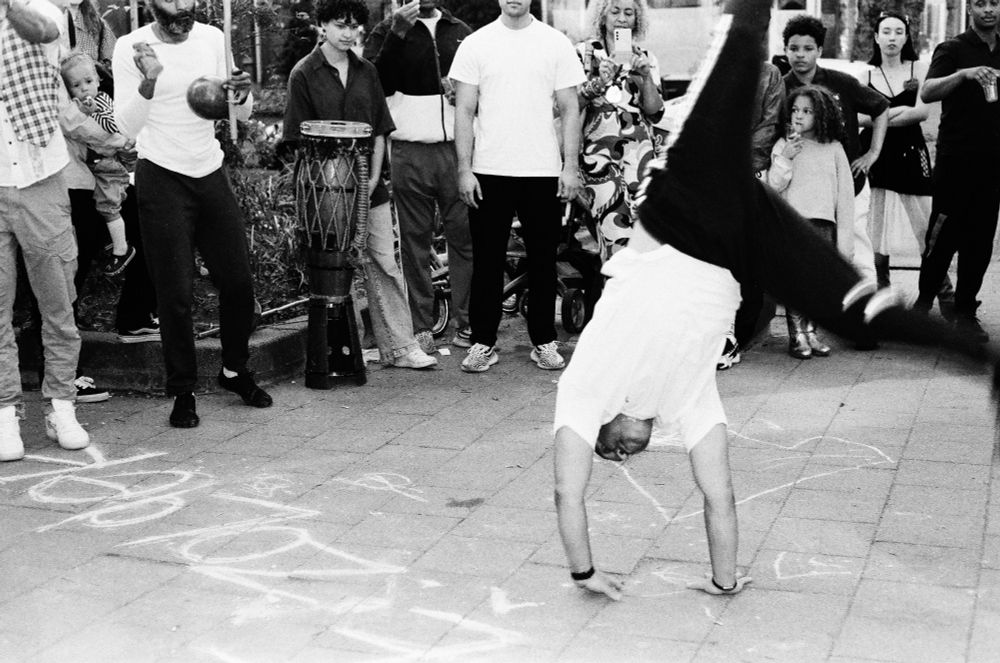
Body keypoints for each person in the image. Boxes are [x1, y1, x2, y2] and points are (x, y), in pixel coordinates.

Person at [553, 0, 999, 602]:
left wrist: (583, 573)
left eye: (613, 453)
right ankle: (984, 359)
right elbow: (719, 496)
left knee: (740, 46)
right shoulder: (687, 401)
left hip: (684, 203)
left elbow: (566, 491)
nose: (626, 456)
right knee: (853, 315)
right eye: (628, 460)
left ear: (602, 430)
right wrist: (723, 580)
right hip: (741, 241)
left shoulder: (589, 385)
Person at [112, 0, 273, 428]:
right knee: (175, 293)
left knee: (238, 281)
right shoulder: (131, 45)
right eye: (174, 0)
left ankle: (234, 370)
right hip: (160, 175)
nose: (185, 7)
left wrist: (240, 93)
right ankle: (182, 390)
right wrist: (148, 82)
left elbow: (241, 111)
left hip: (208, 168)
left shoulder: (213, 37)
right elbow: (124, 129)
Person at [283, 0, 438, 372]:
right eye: (340, 25)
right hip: (326, 191)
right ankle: (345, 350)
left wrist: (371, 181)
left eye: (354, 27)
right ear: (322, 26)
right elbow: (298, 141)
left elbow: (381, 130)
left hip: (371, 185)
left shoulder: (367, 71)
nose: (348, 33)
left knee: (384, 262)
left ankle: (401, 347)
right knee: (339, 269)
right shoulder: (303, 73)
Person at [450, 0, 584, 373]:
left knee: (543, 261)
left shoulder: (555, 43)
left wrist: (569, 166)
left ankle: (543, 341)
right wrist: (465, 169)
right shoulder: (476, 44)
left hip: (541, 170)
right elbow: (463, 110)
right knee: (488, 261)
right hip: (489, 169)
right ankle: (482, 343)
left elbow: (570, 109)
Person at [0, 0, 91, 461]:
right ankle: (3, 415)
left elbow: (38, 29)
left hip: (40, 177)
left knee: (57, 306)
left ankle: (61, 407)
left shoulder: (40, 9)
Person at [363, 0, 474, 354]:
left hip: (457, 150)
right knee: (414, 241)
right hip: (409, 149)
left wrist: (466, 91)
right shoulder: (385, 31)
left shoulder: (460, 32)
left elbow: (483, 85)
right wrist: (396, 33)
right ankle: (421, 326)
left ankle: (468, 322)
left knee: (465, 236)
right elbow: (373, 83)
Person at [912, 0, 1000, 342]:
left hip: (992, 163)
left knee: (980, 241)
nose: (989, 9)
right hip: (955, 160)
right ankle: (921, 307)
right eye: (981, 3)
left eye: (994, 2)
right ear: (970, 9)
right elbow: (928, 90)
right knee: (942, 237)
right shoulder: (953, 48)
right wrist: (964, 74)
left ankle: (965, 313)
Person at [782, 15, 889, 290]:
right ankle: (808, 319)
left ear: (819, 50)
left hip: (848, 183)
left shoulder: (842, 83)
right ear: (786, 50)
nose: (800, 55)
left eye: (808, 49)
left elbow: (881, 108)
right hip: (802, 190)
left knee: (856, 250)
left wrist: (872, 153)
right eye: (794, 48)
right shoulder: (780, 88)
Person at [861, 11, 954, 314]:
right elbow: (858, 116)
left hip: (911, 153)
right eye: (885, 31)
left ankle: (945, 296)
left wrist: (880, 116)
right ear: (876, 37)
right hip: (875, 154)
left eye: (898, 32)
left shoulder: (919, 68)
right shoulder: (866, 75)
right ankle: (882, 297)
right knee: (874, 228)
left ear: (906, 36)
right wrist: (892, 114)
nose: (891, 37)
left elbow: (921, 113)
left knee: (926, 227)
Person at [768, 85, 854, 359]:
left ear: (823, 114)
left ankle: (811, 332)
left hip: (824, 226)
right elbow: (774, 185)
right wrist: (786, 158)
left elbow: (845, 198)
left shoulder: (834, 148)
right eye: (794, 110)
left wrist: (846, 242)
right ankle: (797, 336)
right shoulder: (785, 146)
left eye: (807, 111)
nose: (798, 116)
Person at [575, 0, 663, 262]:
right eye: (615, 11)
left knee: (648, 239)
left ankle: (643, 301)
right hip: (600, 158)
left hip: (641, 155)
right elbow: (568, 104)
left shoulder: (646, 56)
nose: (622, 18)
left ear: (637, 19)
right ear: (602, 17)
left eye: (629, 13)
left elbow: (655, 111)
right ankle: (617, 298)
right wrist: (599, 82)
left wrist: (645, 77)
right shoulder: (584, 53)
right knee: (615, 237)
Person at [717, 57, 784, 370]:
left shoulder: (769, 75)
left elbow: (770, 126)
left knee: (748, 261)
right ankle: (722, 335)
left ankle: (736, 337)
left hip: (751, 176)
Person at [61, 51, 136, 275]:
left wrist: (92, 112)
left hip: (110, 165)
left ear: (98, 80)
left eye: (88, 81)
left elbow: (113, 126)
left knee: (108, 206)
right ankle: (113, 239)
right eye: (76, 85)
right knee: (99, 205)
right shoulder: (77, 104)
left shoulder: (102, 100)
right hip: (98, 166)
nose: (84, 88)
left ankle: (122, 249)